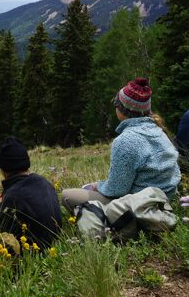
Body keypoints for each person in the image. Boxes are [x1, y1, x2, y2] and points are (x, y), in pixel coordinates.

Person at [61, 78, 181, 213]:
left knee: (67, 196)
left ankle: (105, 226)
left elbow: (116, 190)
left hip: (140, 205)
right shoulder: (159, 131)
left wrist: (96, 186)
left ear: (122, 110)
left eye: (116, 104)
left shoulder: (126, 140)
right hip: (166, 200)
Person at [0, 137, 62, 249]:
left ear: (3, 169)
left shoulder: (14, 196)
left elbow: (2, 228)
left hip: (31, 252)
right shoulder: (44, 182)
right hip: (54, 243)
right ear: (26, 163)